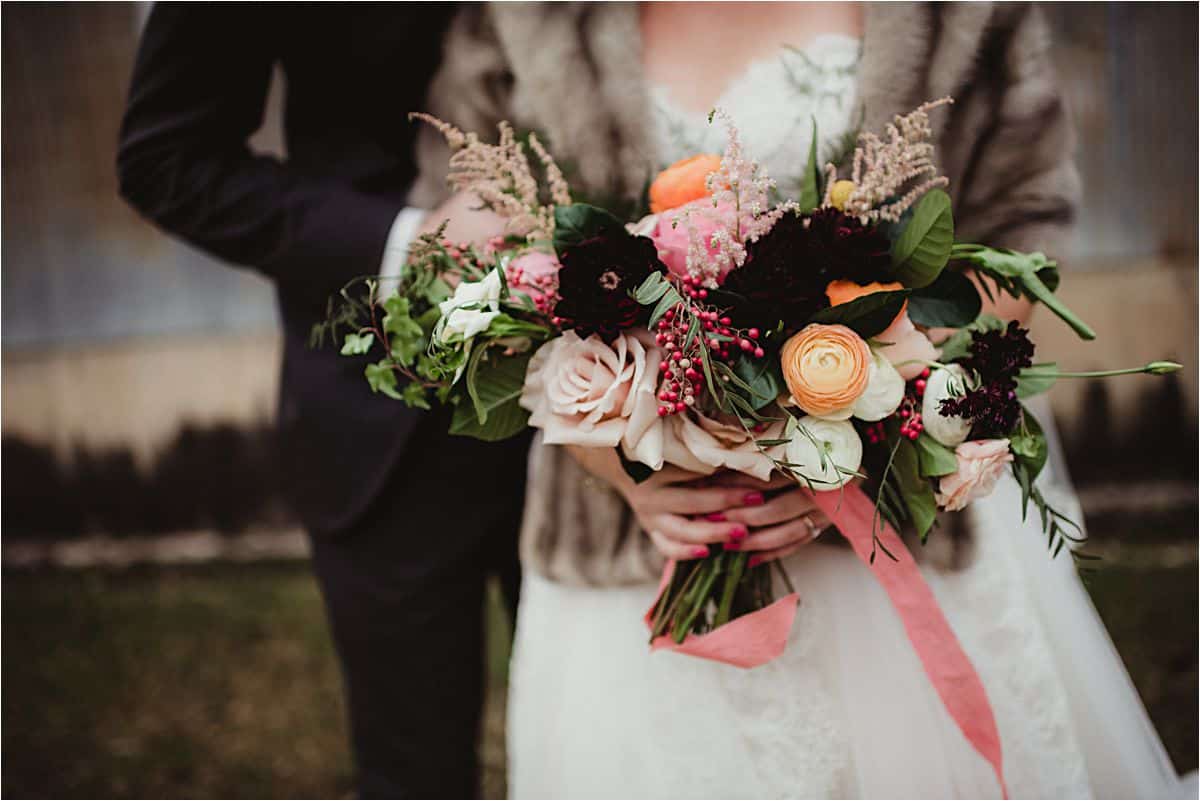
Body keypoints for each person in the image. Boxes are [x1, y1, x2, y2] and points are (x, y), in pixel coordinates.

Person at [407, 3, 1188, 797]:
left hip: (891, 519)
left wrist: (853, 412)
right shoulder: (521, 17)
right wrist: (609, 449)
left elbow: (1023, 233)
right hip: (633, 543)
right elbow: (470, 248)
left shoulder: (962, 13)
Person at [116, 5, 526, 797]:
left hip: (616, 380)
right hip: (385, 409)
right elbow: (165, 156)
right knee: (416, 774)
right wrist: (410, 246)